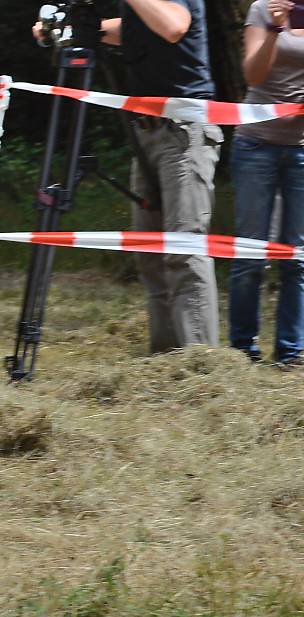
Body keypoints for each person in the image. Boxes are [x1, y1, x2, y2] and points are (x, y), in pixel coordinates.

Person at [101, 0, 221, 353]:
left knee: (184, 249)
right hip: (147, 132)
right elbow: (136, 28)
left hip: (183, 130)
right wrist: (68, 29)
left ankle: (200, 366)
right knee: (150, 252)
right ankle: (166, 359)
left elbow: (174, 25)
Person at [228, 0, 304, 367]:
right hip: (256, 145)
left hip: (301, 150)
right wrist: (275, 29)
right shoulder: (263, 8)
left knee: (297, 258)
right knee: (250, 255)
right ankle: (242, 351)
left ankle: (291, 351)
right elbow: (253, 76)